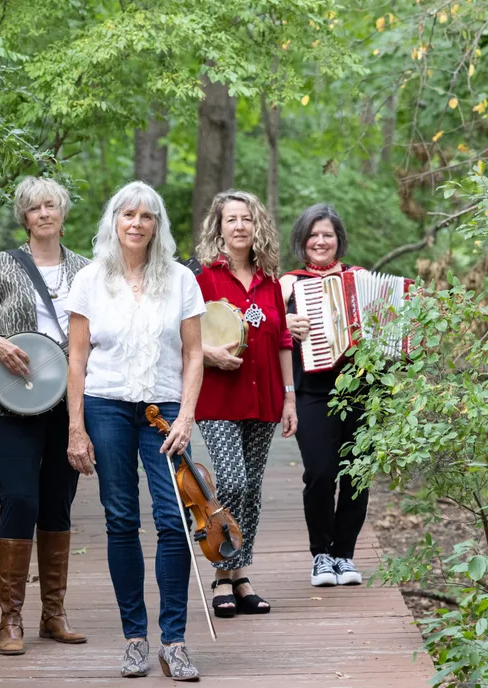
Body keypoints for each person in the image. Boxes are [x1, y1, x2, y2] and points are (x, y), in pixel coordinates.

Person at [65, 181, 206, 681]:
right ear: (114, 221)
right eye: (128, 214)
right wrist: (75, 428)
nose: (137, 223)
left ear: (157, 225)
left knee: (174, 520)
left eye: (147, 216)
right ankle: (134, 640)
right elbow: (77, 358)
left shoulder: (182, 280)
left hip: (163, 407)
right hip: (105, 407)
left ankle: (174, 641)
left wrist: (187, 415)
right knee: (121, 518)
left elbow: (193, 354)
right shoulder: (88, 280)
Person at [0, 176, 89, 655]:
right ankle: (8, 620)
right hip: (11, 404)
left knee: (57, 503)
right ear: (24, 217)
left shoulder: (86, 269)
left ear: (63, 212)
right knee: (20, 498)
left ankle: (53, 615)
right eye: (34, 208)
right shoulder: (1, 265)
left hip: (69, 406)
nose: (44, 213)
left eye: (51, 205)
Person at [194, 190, 297, 617]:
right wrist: (206, 351)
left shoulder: (271, 282)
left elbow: (284, 341)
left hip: (265, 396)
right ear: (219, 227)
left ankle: (241, 574)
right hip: (218, 397)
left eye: (247, 219)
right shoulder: (202, 277)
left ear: (257, 227)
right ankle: (222, 571)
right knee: (233, 481)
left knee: (252, 486)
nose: (239, 226)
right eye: (231, 219)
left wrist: (290, 398)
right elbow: (181, 335)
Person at [278, 204, 368, 588]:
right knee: (320, 473)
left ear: (338, 240)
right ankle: (321, 555)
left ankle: (344, 556)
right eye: (313, 235)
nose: (320, 241)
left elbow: (389, 323)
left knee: (357, 476)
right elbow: (264, 330)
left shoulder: (360, 278)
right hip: (312, 392)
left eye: (327, 235)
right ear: (302, 240)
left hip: (363, 391)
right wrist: (285, 320)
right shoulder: (287, 284)